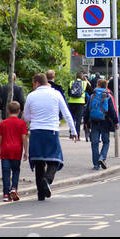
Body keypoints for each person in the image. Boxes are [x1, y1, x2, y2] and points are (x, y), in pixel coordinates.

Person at [22, 73, 78, 201]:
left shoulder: (31, 96)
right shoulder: (56, 94)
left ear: (36, 83)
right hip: (51, 131)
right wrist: (73, 131)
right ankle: (47, 180)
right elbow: (67, 114)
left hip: (36, 132)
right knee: (54, 160)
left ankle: (40, 194)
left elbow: (26, 116)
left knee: (38, 163)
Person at [0, 101, 28, 201]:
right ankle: (14, 188)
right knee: (15, 170)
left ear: (8, 110)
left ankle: (6, 194)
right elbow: (24, 138)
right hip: (16, 151)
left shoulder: (3, 123)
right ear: (19, 111)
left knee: (5, 172)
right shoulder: (22, 123)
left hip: (5, 150)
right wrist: (26, 151)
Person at [87, 77, 115, 169]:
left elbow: (87, 110)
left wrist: (87, 122)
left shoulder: (92, 96)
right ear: (106, 86)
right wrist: (116, 121)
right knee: (106, 141)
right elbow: (112, 110)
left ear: (98, 85)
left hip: (94, 121)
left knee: (94, 143)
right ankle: (102, 157)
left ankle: (96, 165)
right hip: (105, 121)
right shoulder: (108, 96)